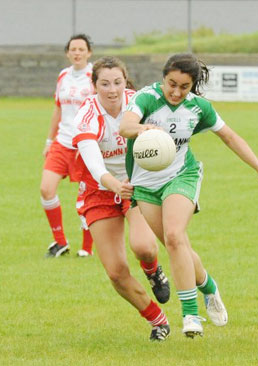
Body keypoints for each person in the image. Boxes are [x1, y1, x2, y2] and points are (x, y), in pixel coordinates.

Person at [119, 53, 258, 338]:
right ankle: (208, 286)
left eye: (183, 86)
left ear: (193, 86)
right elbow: (125, 127)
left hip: (181, 176)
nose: (175, 92)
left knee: (174, 236)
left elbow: (230, 137)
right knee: (177, 246)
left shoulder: (199, 108)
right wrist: (144, 129)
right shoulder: (146, 97)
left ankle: (190, 315)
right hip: (145, 184)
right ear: (163, 78)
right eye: (171, 84)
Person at [72, 56, 171, 341]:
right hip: (99, 189)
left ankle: (153, 272)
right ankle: (158, 320)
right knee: (116, 272)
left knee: (144, 247)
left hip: (136, 182)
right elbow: (94, 165)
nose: (112, 90)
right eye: (104, 83)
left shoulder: (138, 103)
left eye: (117, 82)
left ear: (125, 82)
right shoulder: (86, 115)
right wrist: (116, 186)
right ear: (94, 86)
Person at [40, 34, 95, 257]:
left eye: (81, 49)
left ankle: (87, 249)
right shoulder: (63, 75)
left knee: (86, 198)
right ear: (67, 52)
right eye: (73, 49)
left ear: (89, 52)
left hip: (85, 145)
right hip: (62, 143)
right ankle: (60, 242)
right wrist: (49, 140)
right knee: (46, 189)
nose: (77, 53)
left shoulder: (94, 76)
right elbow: (58, 109)